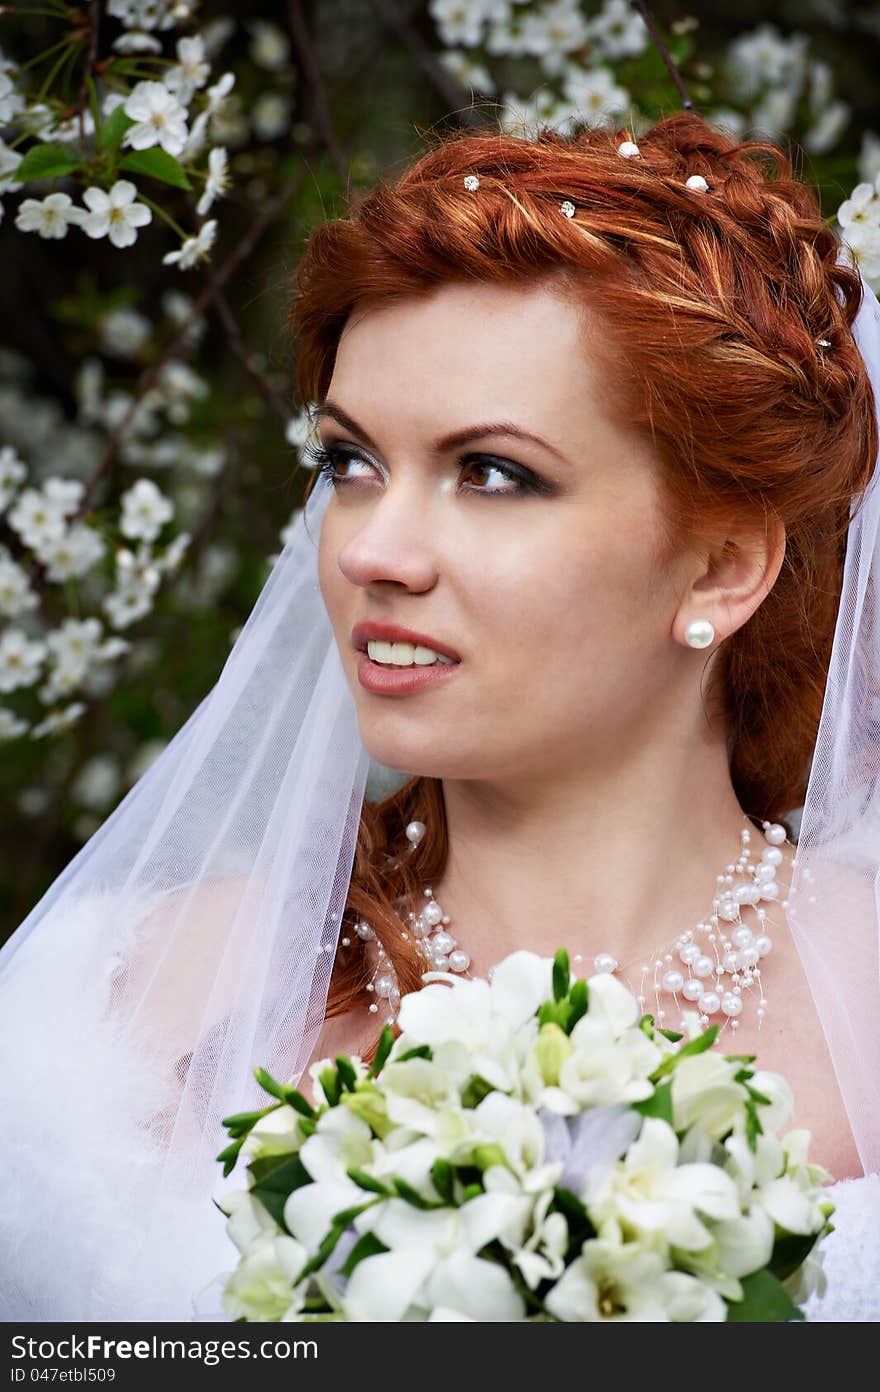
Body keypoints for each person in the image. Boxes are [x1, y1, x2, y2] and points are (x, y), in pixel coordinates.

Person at [1, 112, 878, 1322]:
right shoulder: (122, 1007)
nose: (374, 549)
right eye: (351, 463)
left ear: (721, 569)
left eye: (492, 473)